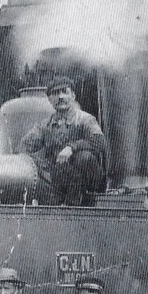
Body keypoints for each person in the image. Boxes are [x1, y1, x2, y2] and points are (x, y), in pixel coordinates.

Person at [20, 76, 108, 206]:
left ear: (73, 95)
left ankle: (74, 204)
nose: (60, 96)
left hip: (89, 181)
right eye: (55, 93)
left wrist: (71, 148)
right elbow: (25, 146)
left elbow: (99, 141)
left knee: (84, 157)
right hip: (62, 180)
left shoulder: (85, 119)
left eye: (64, 92)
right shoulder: (45, 126)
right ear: (49, 99)